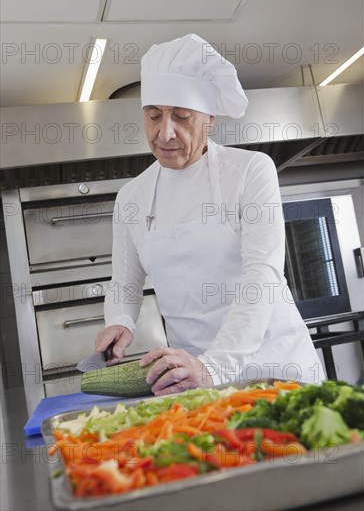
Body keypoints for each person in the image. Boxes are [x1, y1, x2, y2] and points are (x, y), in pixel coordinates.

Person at [96, 33, 325, 396]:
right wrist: (120, 320)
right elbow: (125, 282)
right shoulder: (131, 198)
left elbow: (262, 274)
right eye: (153, 116)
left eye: (182, 117)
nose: (164, 132)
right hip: (196, 378)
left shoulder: (250, 170)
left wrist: (215, 365)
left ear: (210, 119)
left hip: (276, 367)